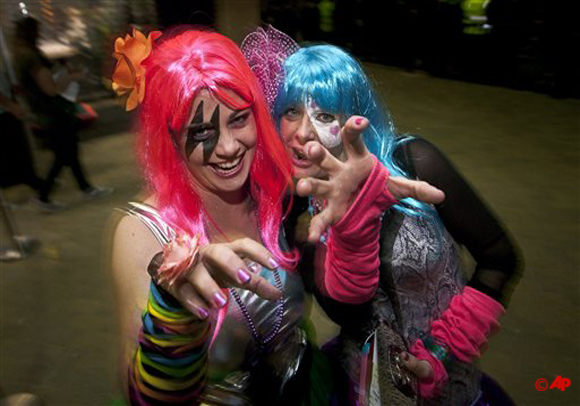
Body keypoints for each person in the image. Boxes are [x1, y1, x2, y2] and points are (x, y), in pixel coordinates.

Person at [110, 26, 445, 405]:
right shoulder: (142, 233)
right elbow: (146, 401)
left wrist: (355, 224)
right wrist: (173, 314)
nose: (229, 148)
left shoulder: (275, 192)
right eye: (201, 130)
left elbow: (348, 301)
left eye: (238, 119)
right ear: (170, 137)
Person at [247, 37, 521, 405]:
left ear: (356, 120)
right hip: (362, 388)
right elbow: (346, 311)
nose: (302, 133)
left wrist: (440, 354)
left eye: (325, 115)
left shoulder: (412, 163)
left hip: (452, 386)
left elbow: (499, 257)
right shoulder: (298, 211)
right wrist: (349, 227)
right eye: (292, 111)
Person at [13, 17, 111, 211]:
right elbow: (51, 88)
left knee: (69, 152)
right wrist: (71, 77)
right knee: (64, 154)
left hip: (45, 112)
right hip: (53, 112)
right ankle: (44, 196)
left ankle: (85, 188)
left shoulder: (20, 55)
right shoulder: (30, 56)